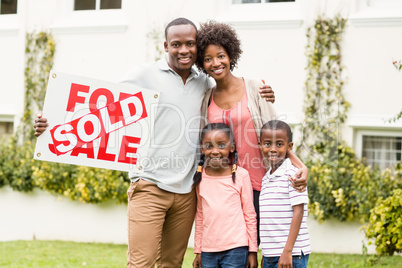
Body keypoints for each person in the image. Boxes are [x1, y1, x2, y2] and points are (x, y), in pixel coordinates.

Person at [33, 18, 276, 268]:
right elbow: (99, 105)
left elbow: (246, 103)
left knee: (171, 263)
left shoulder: (203, 83)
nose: (184, 50)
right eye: (176, 44)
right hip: (149, 184)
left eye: (190, 44)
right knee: (141, 263)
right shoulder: (144, 74)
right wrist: (50, 123)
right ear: (165, 45)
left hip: (186, 191)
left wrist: (264, 92)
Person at [196, 20, 308, 247]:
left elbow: (276, 135)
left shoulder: (255, 88)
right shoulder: (206, 98)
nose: (215, 63)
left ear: (231, 55)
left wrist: (300, 165)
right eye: (207, 59)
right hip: (226, 188)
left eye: (220, 56)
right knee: (235, 252)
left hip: (260, 185)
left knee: (261, 248)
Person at [192, 123, 258, 268]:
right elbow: (200, 215)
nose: (215, 151)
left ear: (232, 147)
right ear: (202, 148)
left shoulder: (241, 175)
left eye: (221, 145)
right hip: (208, 251)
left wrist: (252, 251)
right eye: (209, 146)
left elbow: (249, 215)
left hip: (236, 249)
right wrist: (198, 250)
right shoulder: (200, 177)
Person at [259, 120, 311, 268]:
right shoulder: (266, 178)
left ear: (289, 147)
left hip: (291, 254)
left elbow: (298, 212)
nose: (273, 149)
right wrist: (266, 254)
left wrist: (287, 251)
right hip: (271, 254)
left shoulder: (294, 175)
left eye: (279, 144)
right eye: (267, 144)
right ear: (260, 145)